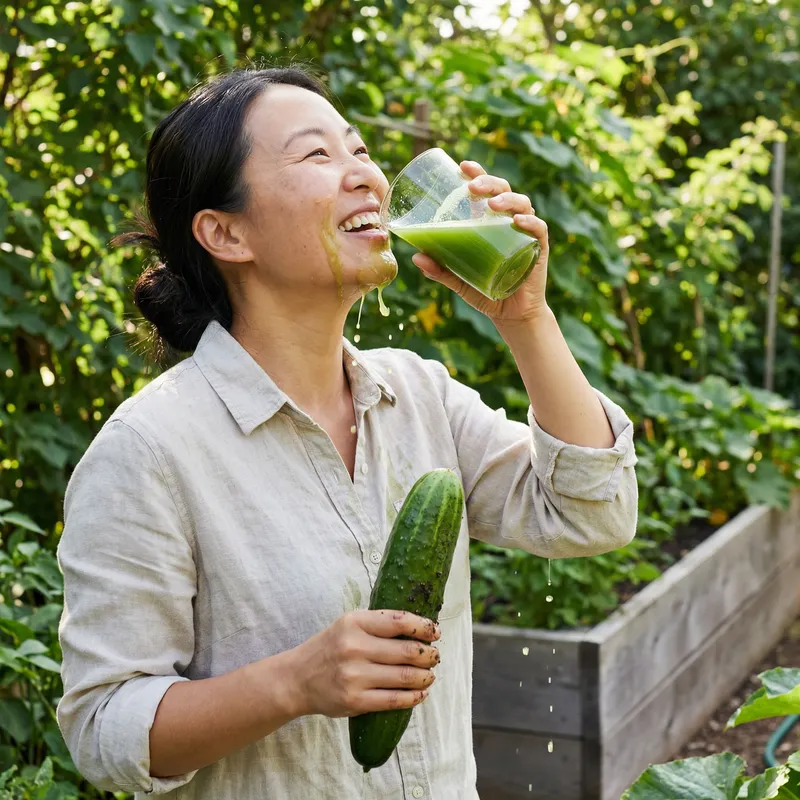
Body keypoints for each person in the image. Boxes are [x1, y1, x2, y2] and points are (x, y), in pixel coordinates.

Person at [56, 66, 638, 800]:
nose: (365, 174)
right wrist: (295, 682)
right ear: (226, 232)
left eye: (359, 150)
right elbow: (104, 730)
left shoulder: (418, 396)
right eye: (317, 155)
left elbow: (592, 512)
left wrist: (525, 317)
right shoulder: (150, 451)